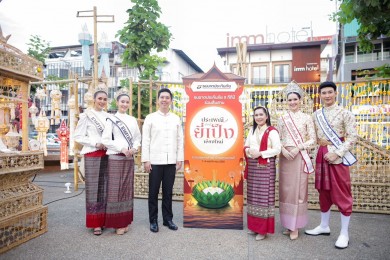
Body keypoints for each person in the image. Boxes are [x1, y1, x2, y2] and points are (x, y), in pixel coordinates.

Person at [305, 81, 357, 249]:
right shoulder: (316, 114)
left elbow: (352, 137)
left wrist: (338, 152)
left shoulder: (345, 113)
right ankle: (324, 226)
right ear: (320, 95)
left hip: (338, 157)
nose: (327, 95)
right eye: (324, 93)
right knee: (323, 191)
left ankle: (344, 233)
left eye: (329, 92)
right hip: (321, 154)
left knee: (341, 191)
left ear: (335, 93)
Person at [277, 82, 316, 240]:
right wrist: (283, 149)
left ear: (300, 100)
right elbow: (277, 138)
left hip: (299, 156)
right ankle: (288, 224)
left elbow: (312, 140)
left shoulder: (307, 118)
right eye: (290, 100)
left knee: (298, 191)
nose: (292, 102)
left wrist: (297, 148)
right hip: (285, 157)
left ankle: (296, 226)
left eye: (295, 99)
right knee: (286, 191)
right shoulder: (282, 118)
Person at [141, 88, 184, 233]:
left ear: (171, 101)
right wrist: (146, 160)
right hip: (154, 161)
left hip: (171, 161)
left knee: (168, 192)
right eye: (162, 97)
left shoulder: (176, 118)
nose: (164, 100)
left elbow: (180, 140)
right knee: (153, 193)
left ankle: (168, 219)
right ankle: (153, 221)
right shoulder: (150, 118)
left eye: (167, 97)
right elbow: (145, 140)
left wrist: (179, 159)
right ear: (157, 100)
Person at [101, 89, 141, 235]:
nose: (124, 104)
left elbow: (137, 137)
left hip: (129, 158)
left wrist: (134, 148)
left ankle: (124, 221)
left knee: (126, 190)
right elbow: (105, 140)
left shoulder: (132, 120)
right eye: (122, 101)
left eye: (127, 102)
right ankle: (116, 223)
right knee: (115, 190)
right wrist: (121, 147)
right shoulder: (111, 119)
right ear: (117, 102)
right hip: (116, 157)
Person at [74, 88, 109, 236]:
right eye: (99, 98)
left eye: (104, 99)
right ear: (94, 100)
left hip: (107, 154)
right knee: (94, 190)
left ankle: (104, 220)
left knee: (105, 189)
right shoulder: (86, 116)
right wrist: (95, 143)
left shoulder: (108, 116)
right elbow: (78, 136)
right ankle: (95, 223)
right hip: (92, 154)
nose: (102, 101)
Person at [244, 106, 281, 241]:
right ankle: (254, 227)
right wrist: (250, 152)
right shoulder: (252, 130)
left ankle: (263, 230)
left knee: (264, 198)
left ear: (266, 116)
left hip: (266, 167)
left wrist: (261, 153)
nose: (258, 117)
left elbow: (277, 149)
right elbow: (246, 145)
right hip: (253, 165)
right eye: (256, 115)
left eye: (261, 114)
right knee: (253, 195)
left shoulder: (272, 131)